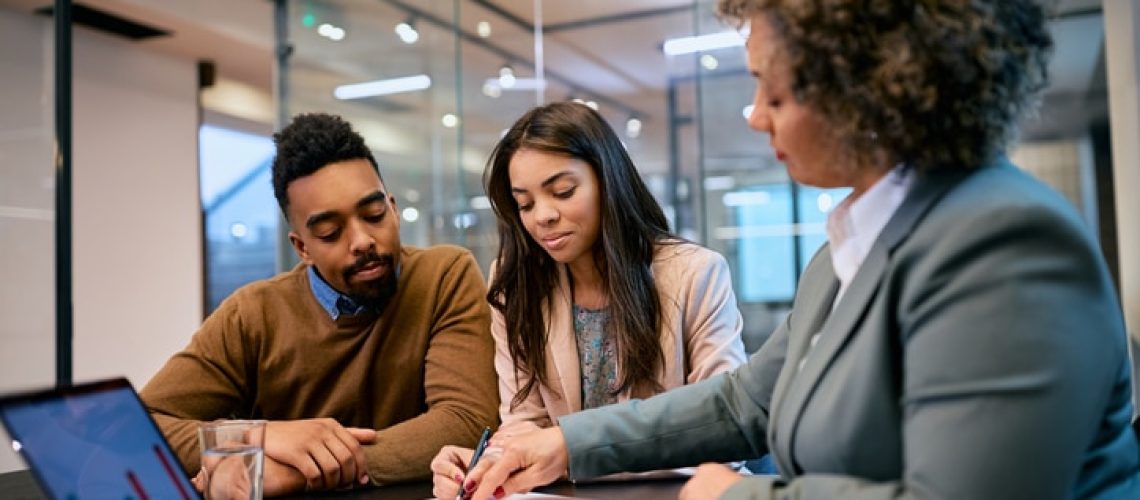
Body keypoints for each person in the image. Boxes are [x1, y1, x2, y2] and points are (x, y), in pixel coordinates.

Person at [463, 1, 1140, 499]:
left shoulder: (1006, 243)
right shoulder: (850, 247)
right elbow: (742, 404)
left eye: (775, 91)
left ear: (868, 91)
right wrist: (567, 442)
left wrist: (736, 497)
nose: (755, 115)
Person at [140, 113, 499, 495]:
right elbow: (139, 428)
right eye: (330, 232)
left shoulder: (443, 275)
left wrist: (291, 474)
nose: (361, 240)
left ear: (393, 209)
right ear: (302, 248)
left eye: (374, 215)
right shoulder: (253, 315)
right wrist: (260, 438)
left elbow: (465, 420)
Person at [429, 102, 748, 498]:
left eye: (563, 192)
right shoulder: (515, 286)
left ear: (607, 181)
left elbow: (723, 436)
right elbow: (525, 426)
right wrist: (491, 463)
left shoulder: (696, 274)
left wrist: (572, 452)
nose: (542, 216)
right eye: (524, 204)